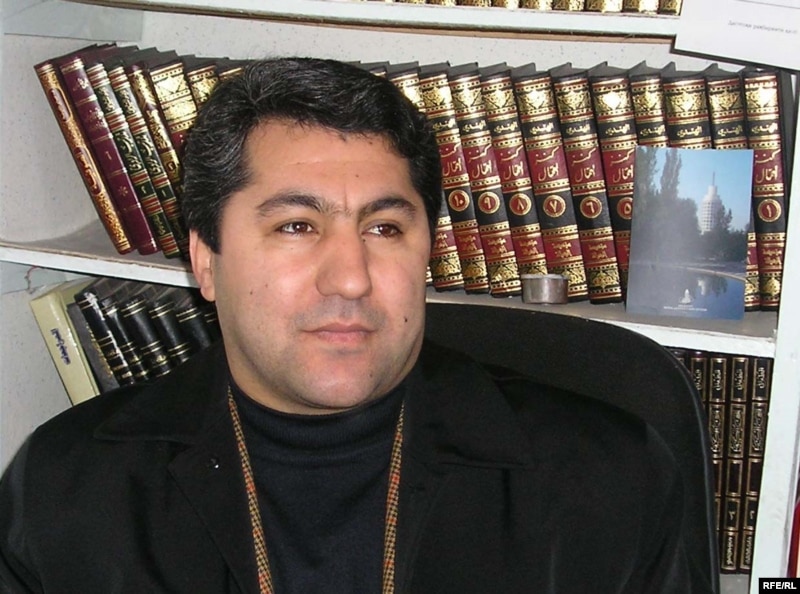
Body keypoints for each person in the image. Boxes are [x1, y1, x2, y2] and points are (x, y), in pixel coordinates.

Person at [0, 57, 707, 594]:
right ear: (206, 261)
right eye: (296, 225)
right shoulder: (68, 489)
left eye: (385, 227)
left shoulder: (607, 480)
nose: (350, 278)